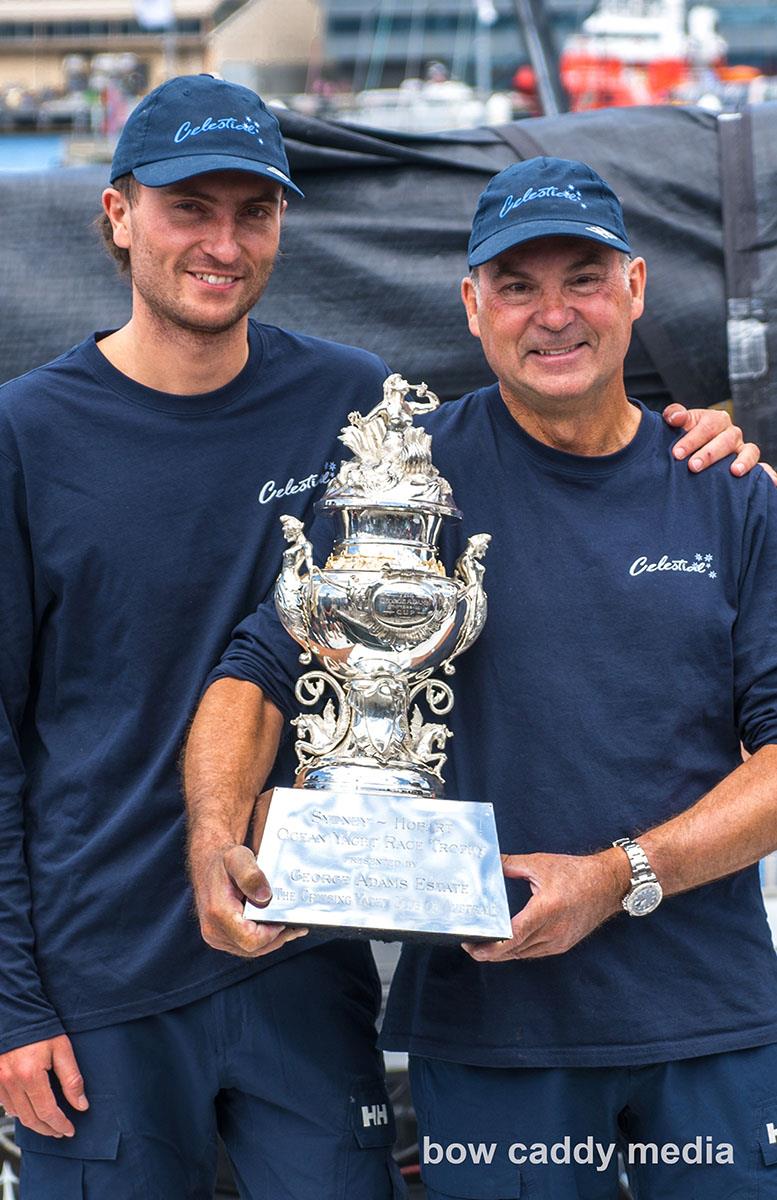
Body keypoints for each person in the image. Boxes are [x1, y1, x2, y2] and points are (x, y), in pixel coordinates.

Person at [184, 156, 777, 1200]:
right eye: (516, 284)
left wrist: (617, 877)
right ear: (470, 305)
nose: (553, 315)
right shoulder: (402, 477)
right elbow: (261, 670)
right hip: (492, 1031)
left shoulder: (728, 494)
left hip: (715, 1022)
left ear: (637, 286)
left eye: (583, 277)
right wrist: (213, 839)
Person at [0, 73, 408, 1200]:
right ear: (120, 215)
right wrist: (12, 1003)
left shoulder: (356, 405)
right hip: (100, 983)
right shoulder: (24, 434)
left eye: (255, 211)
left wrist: (691, 435)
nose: (224, 242)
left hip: (305, 962)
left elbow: (531, 444)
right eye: (192, 207)